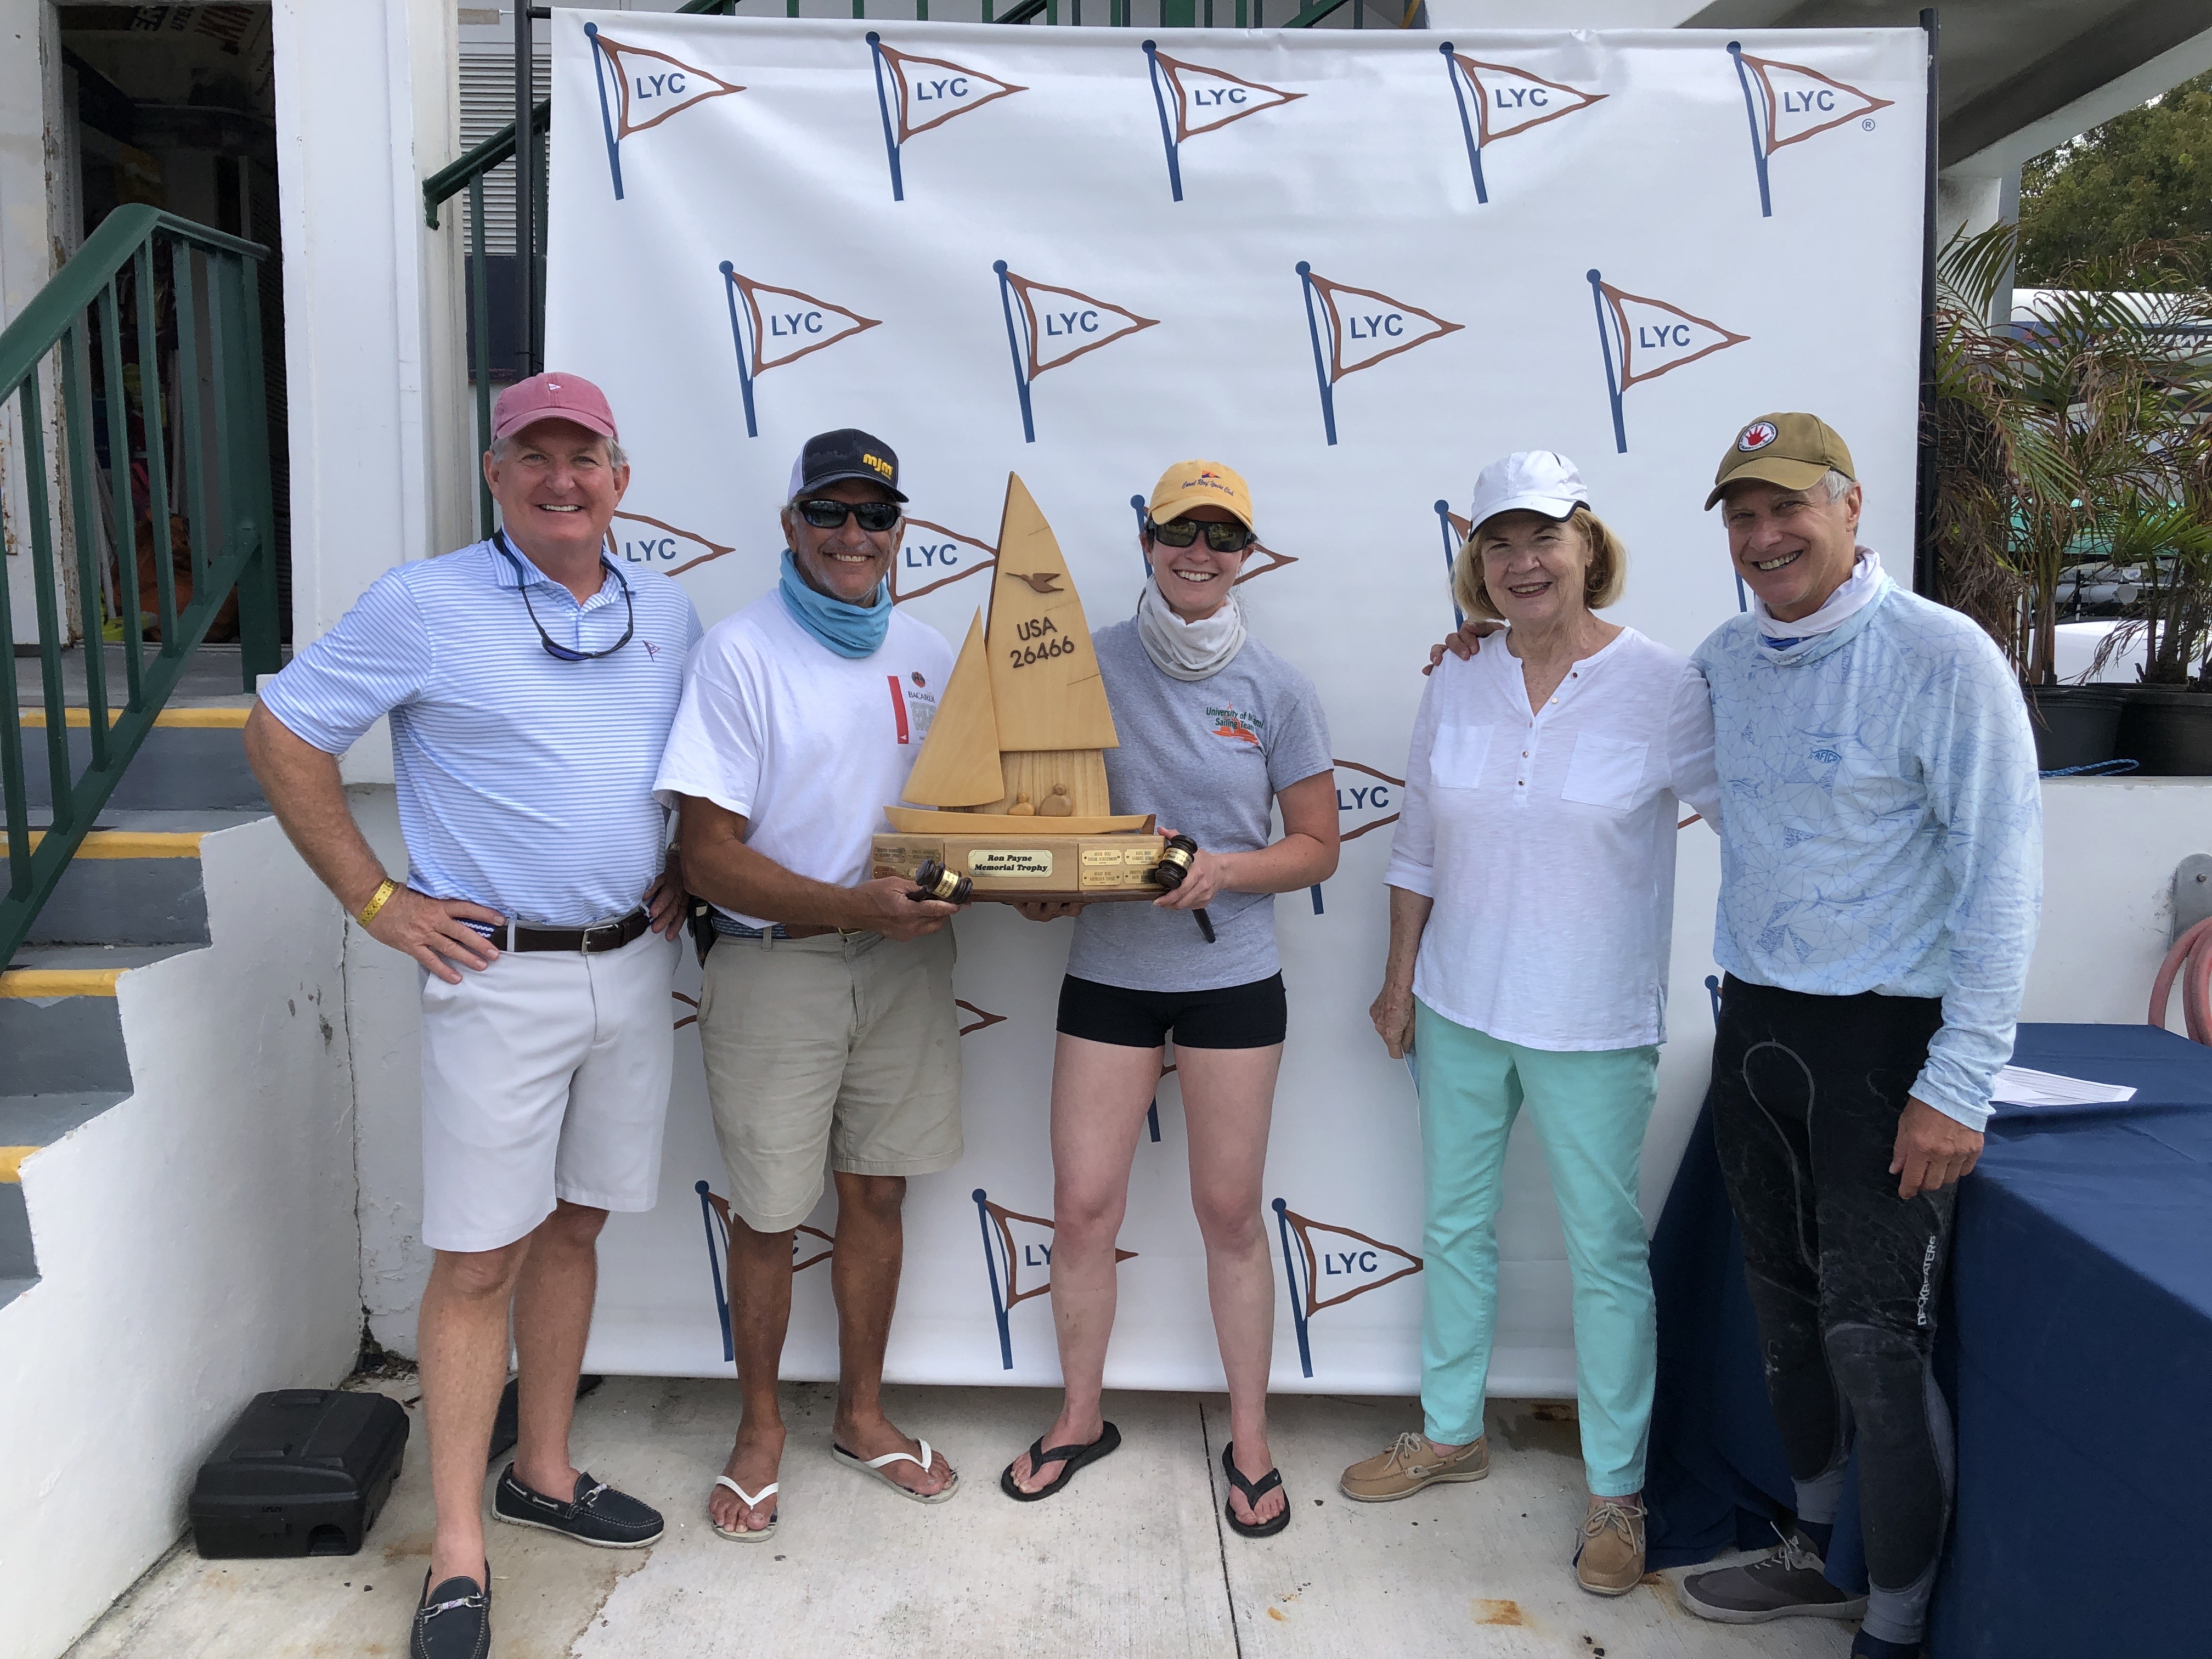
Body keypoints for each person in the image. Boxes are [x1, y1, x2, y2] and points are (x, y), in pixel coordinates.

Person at [245, 373, 698, 1659]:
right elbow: (281, 733)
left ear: (621, 478)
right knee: (478, 1261)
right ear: (495, 475)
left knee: (576, 1224)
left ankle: (542, 1470)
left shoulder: (666, 608)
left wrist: (681, 857)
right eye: (533, 456)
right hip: (494, 975)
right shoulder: (426, 602)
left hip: (632, 965)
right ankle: (457, 1549)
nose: (562, 478)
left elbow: (680, 767)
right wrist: (376, 897)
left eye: (584, 456)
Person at [1672, 415, 2040, 1659]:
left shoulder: (1944, 657)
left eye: (1788, 509)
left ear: (1850, 506)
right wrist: (1479, 643)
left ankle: (1893, 1625)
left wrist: (1962, 1080)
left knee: (1874, 1345)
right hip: (1759, 1025)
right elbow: (1647, 742)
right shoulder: (1724, 660)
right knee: (1784, 1315)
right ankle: (1816, 1553)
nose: (1764, 536)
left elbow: (2004, 877)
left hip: (1889, 1045)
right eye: (1742, 516)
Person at [1344, 452, 1719, 1596]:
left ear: (1587, 545)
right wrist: (1399, 979)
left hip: (1593, 1024)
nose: (1523, 562)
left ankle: (1617, 1493)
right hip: (1459, 1005)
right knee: (1455, 1227)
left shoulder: (1667, 684)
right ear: (1479, 564)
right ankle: (1450, 1433)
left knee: (1606, 1256)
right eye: (1499, 543)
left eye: (1544, 536)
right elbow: (1417, 845)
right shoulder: (1459, 675)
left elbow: (1742, 818)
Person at [1000, 459, 1338, 1538]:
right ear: (1147, 539)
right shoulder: (1081, 665)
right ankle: (1078, 1419)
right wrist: (1039, 883)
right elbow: (1038, 819)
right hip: (1110, 973)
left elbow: (1318, 847)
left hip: (1232, 980)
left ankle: (1251, 1443)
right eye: (1181, 531)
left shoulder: (1279, 688)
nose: (1200, 553)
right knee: (1084, 1208)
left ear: (1248, 556)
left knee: (1231, 1216)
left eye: (1222, 536)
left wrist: (1223, 870)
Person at [654, 428, 965, 1544]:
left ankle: (862, 1416)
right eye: (827, 513)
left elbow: (967, 831)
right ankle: (760, 1431)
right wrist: (853, 907)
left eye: (873, 516)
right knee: (771, 1215)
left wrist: (1040, 884)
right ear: (791, 524)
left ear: (899, 532)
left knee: (877, 1195)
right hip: (774, 965)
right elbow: (707, 858)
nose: (851, 534)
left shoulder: (930, 653)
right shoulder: (739, 654)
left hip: (906, 968)